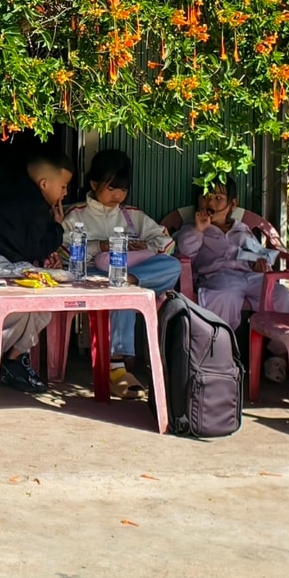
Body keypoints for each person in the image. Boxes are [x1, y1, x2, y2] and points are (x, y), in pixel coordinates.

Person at [0, 147, 74, 393]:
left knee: (42, 304)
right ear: (44, 184)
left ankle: (14, 360)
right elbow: (35, 247)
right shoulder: (33, 206)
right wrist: (58, 228)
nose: (65, 192)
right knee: (18, 306)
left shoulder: (17, 196)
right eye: (63, 186)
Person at [72, 149, 182, 396]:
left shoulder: (133, 215)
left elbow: (167, 243)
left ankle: (127, 280)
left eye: (123, 189)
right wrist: (101, 246)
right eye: (112, 189)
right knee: (121, 291)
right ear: (94, 184)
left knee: (171, 266)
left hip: (130, 273)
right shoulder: (76, 215)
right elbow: (63, 251)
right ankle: (117, 368)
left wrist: (146, 246)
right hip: (93, 275)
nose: (118, 195)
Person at [175, 182, 279, 328]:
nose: (210, 203)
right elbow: (185, 251)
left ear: (233, 204)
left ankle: (281, 348)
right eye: (205, 197)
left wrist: (258, 264)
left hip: (250, 277)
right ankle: (219, 346)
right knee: (224, 296)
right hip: (217, 277)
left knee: (283, 297)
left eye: (218, 198)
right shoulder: (192, 227)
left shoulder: (242, 229)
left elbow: (256, 253)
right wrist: (198, 230)